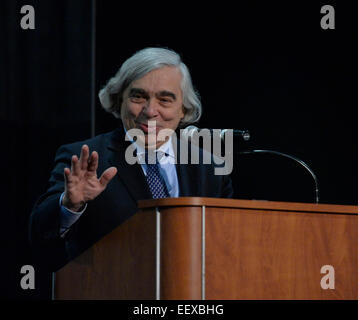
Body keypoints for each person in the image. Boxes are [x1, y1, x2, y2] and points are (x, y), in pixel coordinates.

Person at [29, 47, 233, 271]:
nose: (150, 110)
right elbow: (40, 237)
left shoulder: (210, 168)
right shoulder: (84, 159)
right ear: (119, 100)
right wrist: (70, 206)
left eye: (164, 99)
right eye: (138, 96)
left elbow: (226, 246)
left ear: (183, 109)